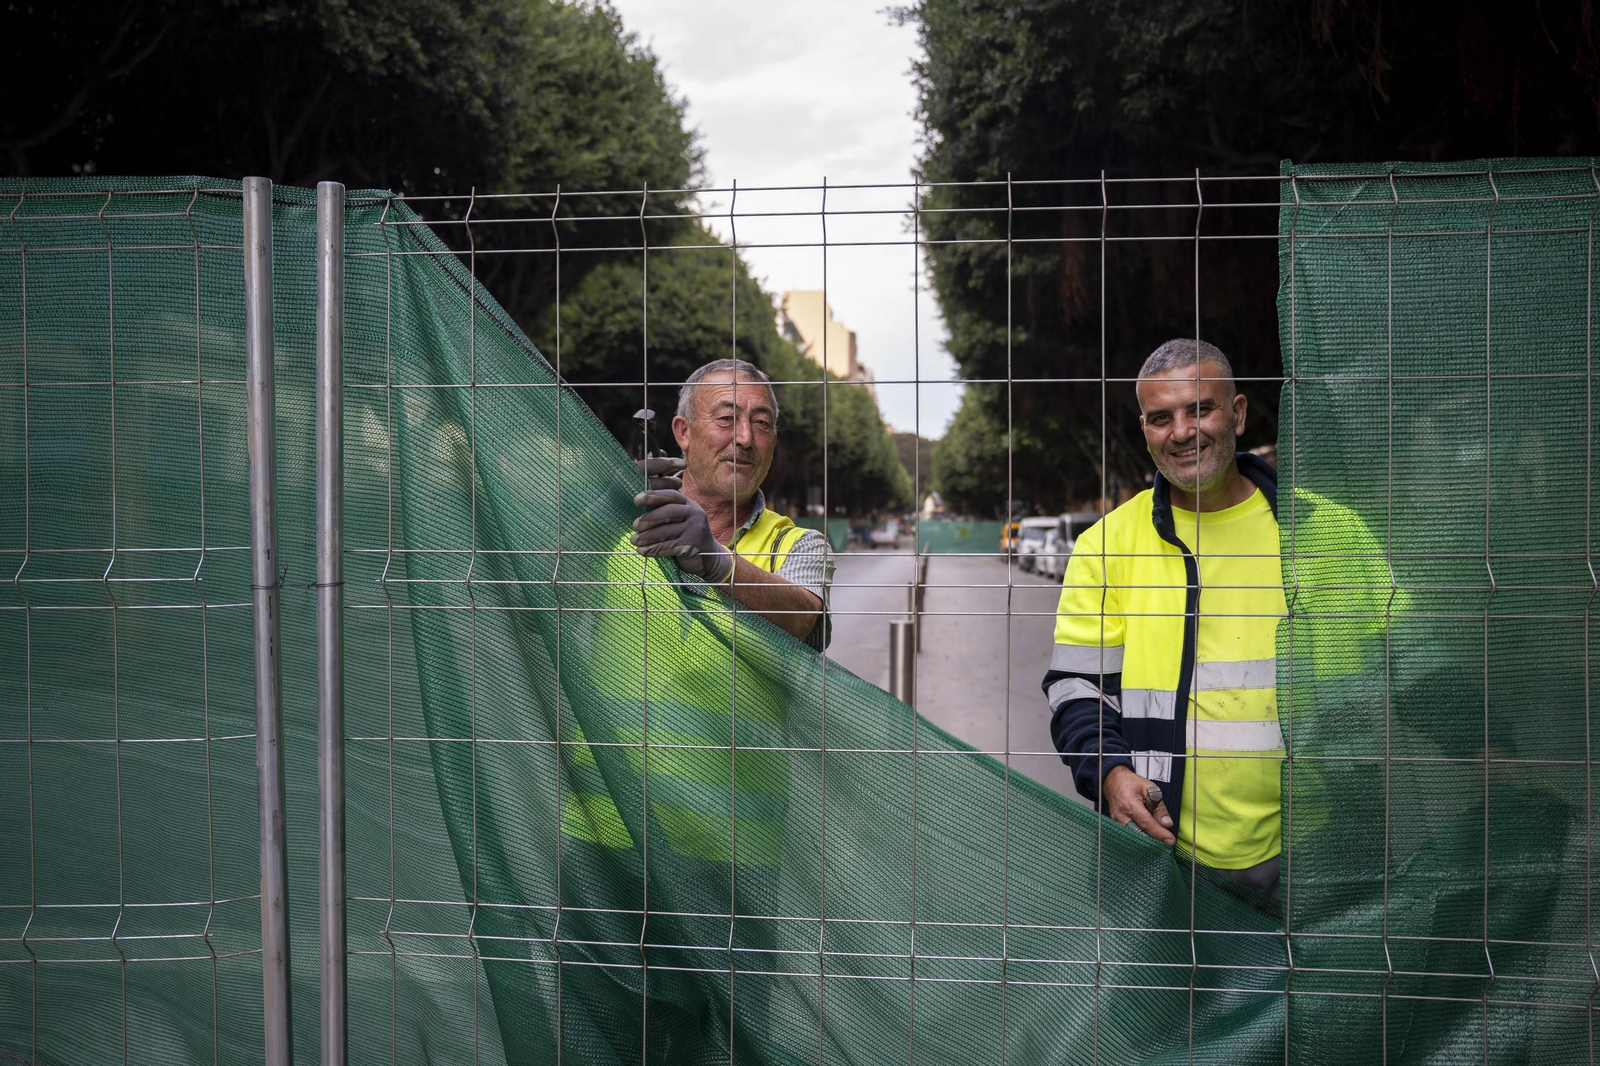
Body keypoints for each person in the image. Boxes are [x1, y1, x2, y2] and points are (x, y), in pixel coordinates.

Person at [1043, 338, 1287, 898]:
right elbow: (1075, 686)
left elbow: (1409, 667)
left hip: (1314, 850)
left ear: (1239, 413)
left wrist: (1498, 749)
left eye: (1200, 408)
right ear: (1144, 428)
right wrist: (1109, 773)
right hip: (1159, 850)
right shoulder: (1105, 545)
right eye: (1161, 418)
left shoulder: (1324, 535)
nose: (1181, 432)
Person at [631, 358, 832, 648]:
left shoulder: (800, 544)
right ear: (683, 432)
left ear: (774, 440)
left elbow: (803, 623)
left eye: (762, 423)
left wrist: (716, 562)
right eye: (726, 418)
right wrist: (604, 499)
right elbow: (549, 589)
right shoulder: (623, 516)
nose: (745, 438)